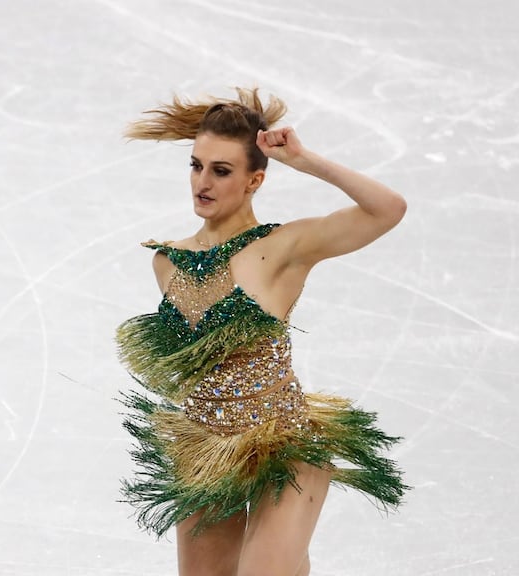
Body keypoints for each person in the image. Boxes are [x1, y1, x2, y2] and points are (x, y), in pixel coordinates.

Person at [115, 88, 408, 576]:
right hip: (206, 450)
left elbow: (388, 209)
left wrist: (304, 159)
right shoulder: (167, 262)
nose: (202, 182)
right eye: (196, 166)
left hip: (286, 451)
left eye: (221, 170)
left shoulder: (282, 247)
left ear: (255, 179)